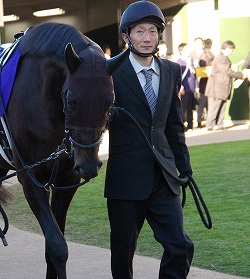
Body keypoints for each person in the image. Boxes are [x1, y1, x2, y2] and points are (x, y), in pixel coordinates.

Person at [106, 1, 194, 278]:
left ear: (160, 35)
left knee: (180, 246)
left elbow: (174, 125)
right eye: (139, 31)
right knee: (123, 254)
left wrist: (185, 167)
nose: (147, 38)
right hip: (125, 178)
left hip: (163, 176)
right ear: (126, 36)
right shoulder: (108, 72)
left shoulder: (171, 70)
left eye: (153, 31)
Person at [205, 40, 247, 131]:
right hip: (217, 88)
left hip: (221, 88)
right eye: (231, 50)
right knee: (214, 107)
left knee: (221, 106)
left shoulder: (223, 57)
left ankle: (220, 124)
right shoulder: (221, 58)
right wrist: (241, 75)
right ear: (227, 48)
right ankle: (210, 125)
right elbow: (227, 71)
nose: (232, 52)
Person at [175, 42, 198, 131]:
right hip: (184, 88)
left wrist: (196, 85)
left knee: (190, 107)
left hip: (191, 87)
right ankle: (181, 125)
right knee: (183, 108)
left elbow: (194, 74)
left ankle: (190, 124)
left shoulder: (190, 60)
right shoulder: (178, 62)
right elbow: (178, 77)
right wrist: (180, 87)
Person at [197, 38, 215, 128]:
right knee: (209, 102)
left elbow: (200, 68)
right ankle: (210, 120)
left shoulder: (202, 55)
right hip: (211, 81)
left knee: (202, 102)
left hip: (203, 81)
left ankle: (199, 121)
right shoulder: (212, 55)